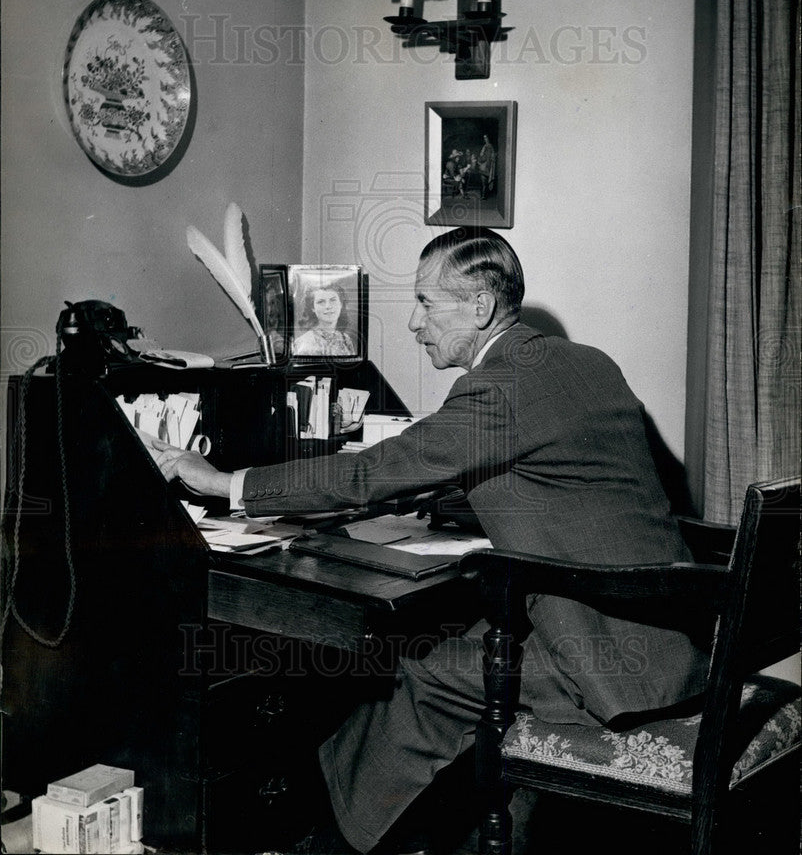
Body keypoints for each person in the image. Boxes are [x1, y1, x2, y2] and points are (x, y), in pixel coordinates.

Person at [154, 228, 708, 855]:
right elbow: (559, 484)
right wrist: (437, 494)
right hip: (668, 640)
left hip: (607, 664)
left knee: (417, 675)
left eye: (425, 303)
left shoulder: (497, 387)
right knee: (452, 643)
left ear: (479, 308)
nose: (415, 324)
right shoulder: (585, 362)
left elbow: (367, 474)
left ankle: (333, 844)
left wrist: (227, 482)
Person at [292, 281, 357, 357]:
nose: (328, 306)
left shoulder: (346, 339)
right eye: (321, 302)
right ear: (313, 308)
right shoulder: (304, 342)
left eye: (333, 300)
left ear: (341, 304)